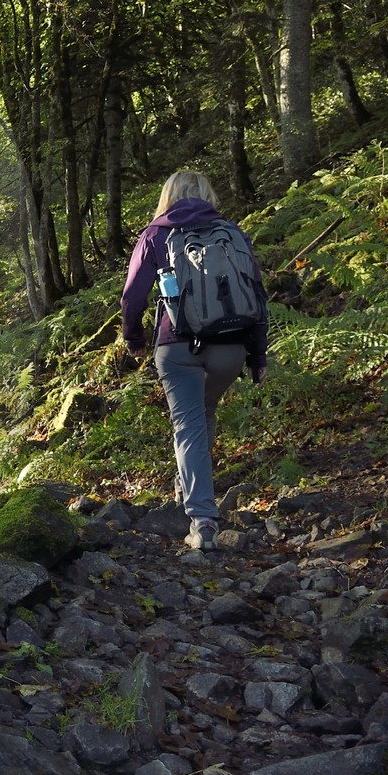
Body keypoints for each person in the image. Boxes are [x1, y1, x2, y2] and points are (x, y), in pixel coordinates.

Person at [120, 170, 267, 551]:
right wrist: (257, 355)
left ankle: (202, 519)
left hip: (178, 345)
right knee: (204, 414)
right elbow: (256, 292)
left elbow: (133, 296)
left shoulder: (156, 234)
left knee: (188, 425)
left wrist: (134, 338)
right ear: (207, 194)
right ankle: (188, 486)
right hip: (231, 345)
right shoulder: (230, 232)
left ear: (168, 196)